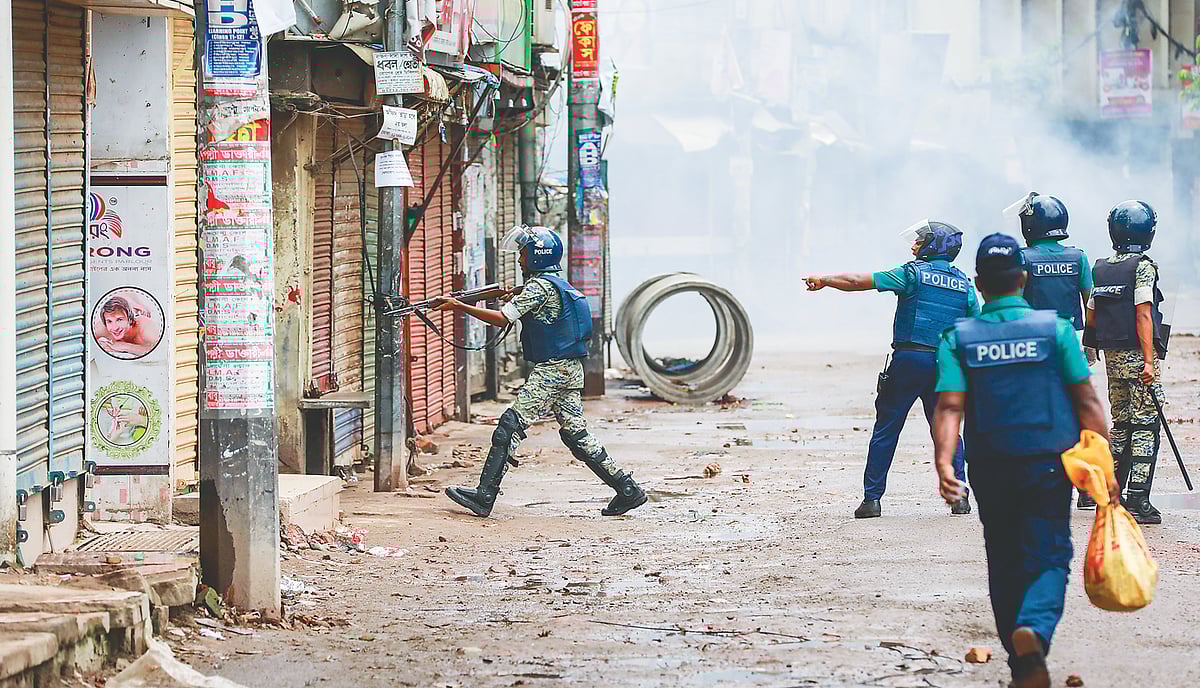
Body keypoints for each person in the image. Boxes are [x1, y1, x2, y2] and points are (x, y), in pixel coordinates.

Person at [932, 233, 1114, 688]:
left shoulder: (959, 338)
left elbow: (950, 407)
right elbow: (1087, 401)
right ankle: (1034, 627)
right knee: (1050, 555)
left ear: (979, 284)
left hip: (990, 466)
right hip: (1048, 464)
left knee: (1004, 559)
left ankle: (1024, 667)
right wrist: (1104, 466)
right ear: (1024, 279)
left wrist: (945, 463)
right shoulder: (1055, 331)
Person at [437, 226, 646, 518]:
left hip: (553, 369)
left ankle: (484, 496)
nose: (520, 259)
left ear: (538, 256)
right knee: (576, 435)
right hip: (570, 368)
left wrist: (459, 306)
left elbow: (503, 318)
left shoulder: (538, 287)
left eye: (523, 253)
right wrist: (512, 293)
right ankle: (627, 489)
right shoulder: (557, 284)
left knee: (510, 424)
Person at [805, 221, 977, 518]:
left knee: (887, 428)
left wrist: (825, 280)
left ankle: (872, 501)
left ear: (933, 245)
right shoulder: (964, 285)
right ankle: (959, 498)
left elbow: (858, 281)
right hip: (946, 365)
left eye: (920, 241)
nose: (914, 245)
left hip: (910, 360)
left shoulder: (912, 274)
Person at [1010, 192, 1099, 510]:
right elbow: (1092, 304)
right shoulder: (1079, 257)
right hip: (1070, 344)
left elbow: (1013, 305)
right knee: (1076, 414)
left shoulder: (1022, 258)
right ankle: (1085, 487)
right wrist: (1091, 343)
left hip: (1033, 346)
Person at [1084, 200, 1169, 525]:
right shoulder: (1143, 267)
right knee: (1145, 425)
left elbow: (1092, 312)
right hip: (1137, 358)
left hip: (1113, 359)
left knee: (1121, 425)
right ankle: (1138, 500)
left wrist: (1092, 347)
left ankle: (1111, 495)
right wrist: (1149, 361)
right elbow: (1143, 313)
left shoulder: (1101, 267)